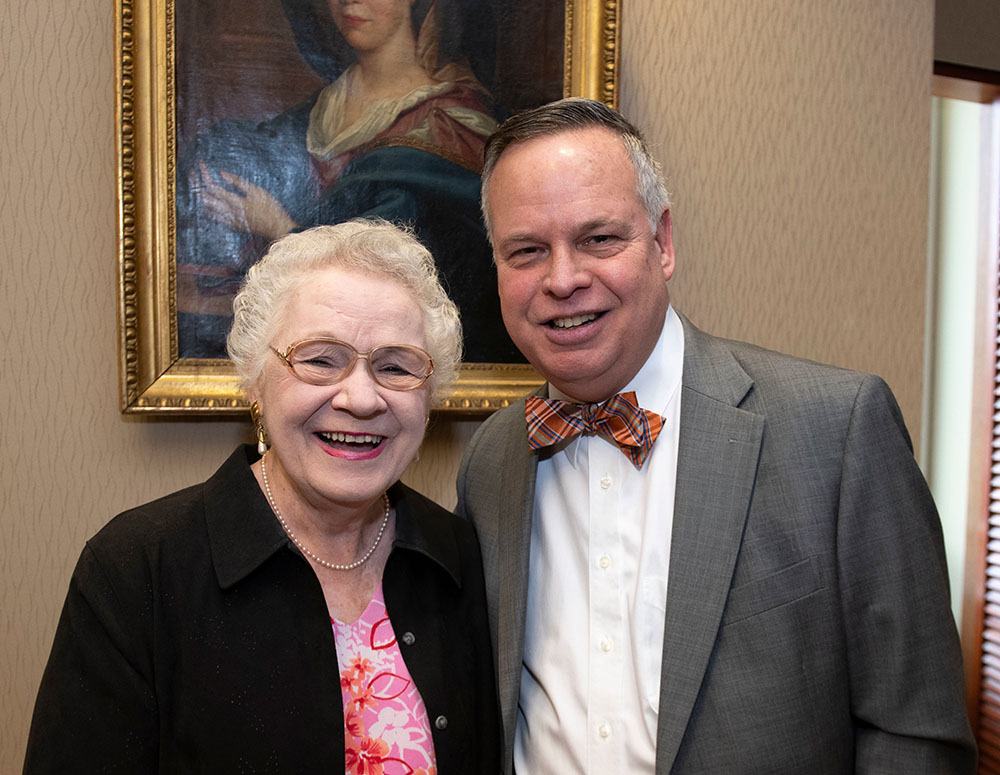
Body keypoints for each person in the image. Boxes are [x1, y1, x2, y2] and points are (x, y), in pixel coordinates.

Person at [456, 98, 977, 774]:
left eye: (599, 239)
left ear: (663, 243)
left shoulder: (837, 429)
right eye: (527, 251)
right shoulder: (490, 460)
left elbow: (917, 734)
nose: (563, 279)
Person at [25, 220, 499, 773]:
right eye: (320, 360)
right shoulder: (135, 571)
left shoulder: (459, 554)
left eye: (396, 367)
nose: (362, 398)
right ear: (255, 379)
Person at [176, 0, 520, 364]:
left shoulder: (452, 126)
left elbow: (401, 273)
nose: (348, 1)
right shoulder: (318, 110)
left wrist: (278, 227)